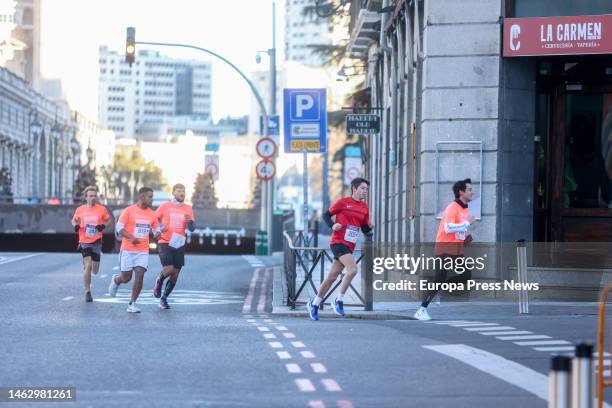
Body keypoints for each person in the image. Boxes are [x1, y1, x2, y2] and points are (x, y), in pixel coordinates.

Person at [307, 178, 374, 321]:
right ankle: (338, 300)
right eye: (363, 188)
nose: (365, 191)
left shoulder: (364, 208)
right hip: (338, 242)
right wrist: (332, 226)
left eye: (366, 189)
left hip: (349, 245)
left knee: (332, 277)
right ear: (354, 189)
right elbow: (325, 215)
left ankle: (314, 304)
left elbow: (364, 229)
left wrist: (370, 226)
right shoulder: (343, 203)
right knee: (353, 269)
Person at [414, 178, 476, 321]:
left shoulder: (464, 208)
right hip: (445, 249)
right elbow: (448, 227)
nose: (472, 192)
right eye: (470, 190)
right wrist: (467, 223)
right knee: (440, 279)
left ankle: (439, 289)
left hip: (456, 250)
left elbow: (459, 227)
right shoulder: (452, 207)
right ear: (461, 192)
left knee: (466, 275)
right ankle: (421, 310)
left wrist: (467, 235)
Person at [108, 187, 160, 313]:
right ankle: (116, 280)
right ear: (142, 197)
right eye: (150, 197)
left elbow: (156, 228)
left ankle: (132, 303)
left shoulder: (152, 214)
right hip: (127, 250)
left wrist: (156, 233)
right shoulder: (129, 211)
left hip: (142, 251)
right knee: (126, 278)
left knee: (140, 274)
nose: (152, 200)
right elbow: (119, 228)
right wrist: (131, 237)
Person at [153, 184, 196, 309]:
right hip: (165, 241)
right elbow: (154, 220)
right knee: (169, 269)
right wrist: (160, 228)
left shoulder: (188, 208)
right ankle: (159, 280)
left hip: (179, 243)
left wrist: (191, 222)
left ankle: (163, 299)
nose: (182, 193)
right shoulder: (165, 206)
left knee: (175, 274)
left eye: (183, 191)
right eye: (179, 191)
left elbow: (192, 229)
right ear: (173, 192)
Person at [71, 186, 111, 302]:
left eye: (94, 196)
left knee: (95, 270)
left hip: (97, 240)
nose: (93, 198)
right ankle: (87, 292)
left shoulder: (101, 209)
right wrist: (76, 226)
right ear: (86, 197)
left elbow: (108, 221)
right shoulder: (80, 209)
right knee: (88, 266)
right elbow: (74, 220)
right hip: (84, 240)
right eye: (90, 196)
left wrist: (103, 226)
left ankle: (87, 264)